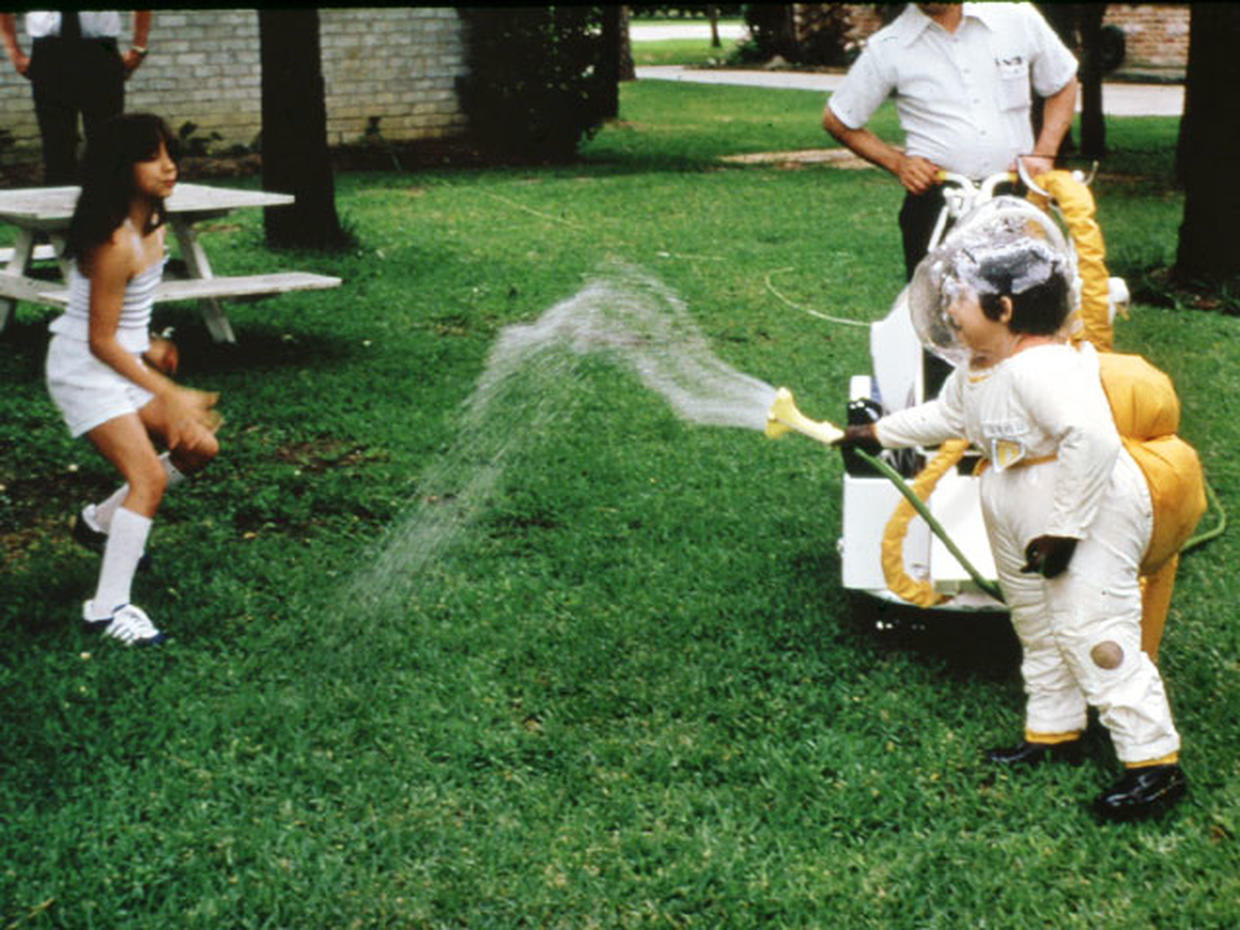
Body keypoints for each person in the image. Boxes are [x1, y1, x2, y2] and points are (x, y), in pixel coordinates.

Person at [837, 217, 1191, 822]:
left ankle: (1154, 764)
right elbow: (947, 419)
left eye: (958, 297)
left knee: (1093, 629)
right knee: (1037, 623)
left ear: (1002, 308)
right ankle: (1054, 732)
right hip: (1017, 499)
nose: (947, 307)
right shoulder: (980, 366)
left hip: (1086, 507)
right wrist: (875, 432)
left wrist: (1066, 529)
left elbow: (1092, 438)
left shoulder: (1042, 369)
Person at [45, 113, 220, 646]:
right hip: (82, 368)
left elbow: (125, 323)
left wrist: (152, 347)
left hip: (121, 358)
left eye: (171, 152)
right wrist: (168, 391)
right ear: (121, 168)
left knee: (198, 448)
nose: (169, 165)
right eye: (153, 155)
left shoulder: (153, 227)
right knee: (149, 478)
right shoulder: (113, 241)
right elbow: (98, 339)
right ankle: (106, 609)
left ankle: (98, 523)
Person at [821, 3, 1079, 281]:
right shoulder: (889, 45)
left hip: (1015, 198)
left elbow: (1063, 82)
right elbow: (838, 119)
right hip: (939, 206)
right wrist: (898, 163)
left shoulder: (1017, 19)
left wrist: (1044, 154)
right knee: (939, 314)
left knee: (1024, 307)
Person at [0, 11, 152, 184]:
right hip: (49, 54)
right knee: (56, 147)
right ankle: (59, 206)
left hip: (100, 52)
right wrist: (13, 52)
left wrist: (138, 46)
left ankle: (105, 208)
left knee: (107, 144)